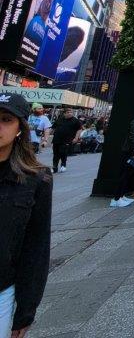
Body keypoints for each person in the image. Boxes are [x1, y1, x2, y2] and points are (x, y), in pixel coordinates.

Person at [0, 93, 52, 338]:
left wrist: (26, 310)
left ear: (20, 128)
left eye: (5, 119)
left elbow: (36, 246)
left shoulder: (37, 179)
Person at [50, 108, 82, 174]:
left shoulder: (75, 121)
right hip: (56, 139)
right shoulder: (60, 119)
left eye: (71, 112)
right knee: (55, 154)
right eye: (68, 112)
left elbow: (79, 129)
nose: (70, 113)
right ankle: (54, 167)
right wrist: (47, 136)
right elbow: (53, 128)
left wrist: (76, 138)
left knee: (63, 152)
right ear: (64, 113)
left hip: (67, 140)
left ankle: (63, 165)